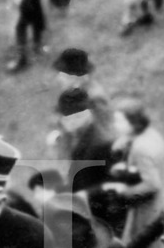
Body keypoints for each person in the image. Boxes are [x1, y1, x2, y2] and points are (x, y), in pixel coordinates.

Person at [103, 96, 164, 248]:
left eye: (120, 121)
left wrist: (122, 191)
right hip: (163, 200)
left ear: (133, 122)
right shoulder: (150, 135)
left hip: (148, 210)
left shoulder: (141, 147)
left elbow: (151, 184)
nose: (115, 125)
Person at [48, 60, 116, 204]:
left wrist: (74, 196)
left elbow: (108, 184)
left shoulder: (100, 144)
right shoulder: (80, 133)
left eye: (68, 120)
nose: (65, 125)